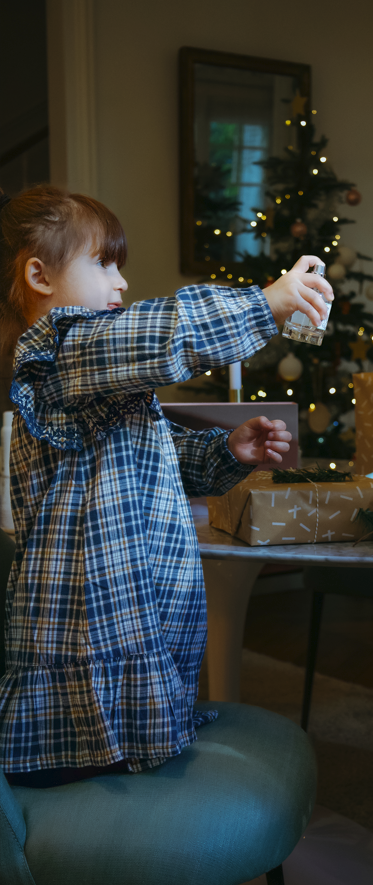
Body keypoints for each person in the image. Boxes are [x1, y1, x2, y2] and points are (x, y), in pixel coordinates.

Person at [0, 185, 332, 788]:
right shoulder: (57, 351)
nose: (120, 283)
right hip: (89, 636)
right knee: (98, 777)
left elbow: (162, 456)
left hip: (141, 618)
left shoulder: (101, 379)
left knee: (142, 754)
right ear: (38, 275)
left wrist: (229, 450)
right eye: (103, 263)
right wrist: (267, 304)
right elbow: (166, 332)